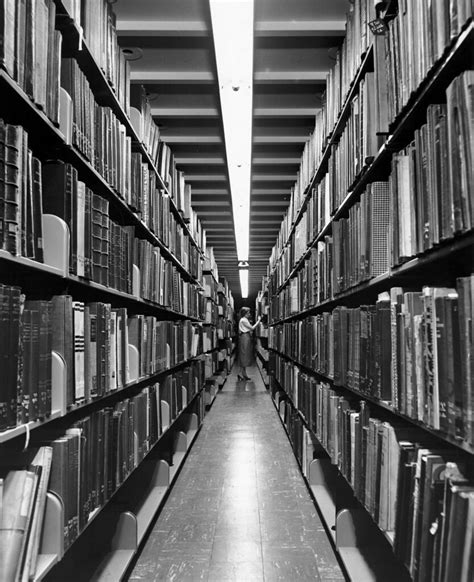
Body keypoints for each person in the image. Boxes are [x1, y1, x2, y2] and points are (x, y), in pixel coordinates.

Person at [237, 307, 261, 381]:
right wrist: (259, 321)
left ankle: (244, 374)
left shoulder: (244, 320)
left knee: (245, 354)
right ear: (244, 313)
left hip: (245, 337)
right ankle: (241, 373)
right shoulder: (243, 320)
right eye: (248, 313)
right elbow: (252, 328)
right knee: (244, 355)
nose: (249, 314)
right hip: (245, 338)